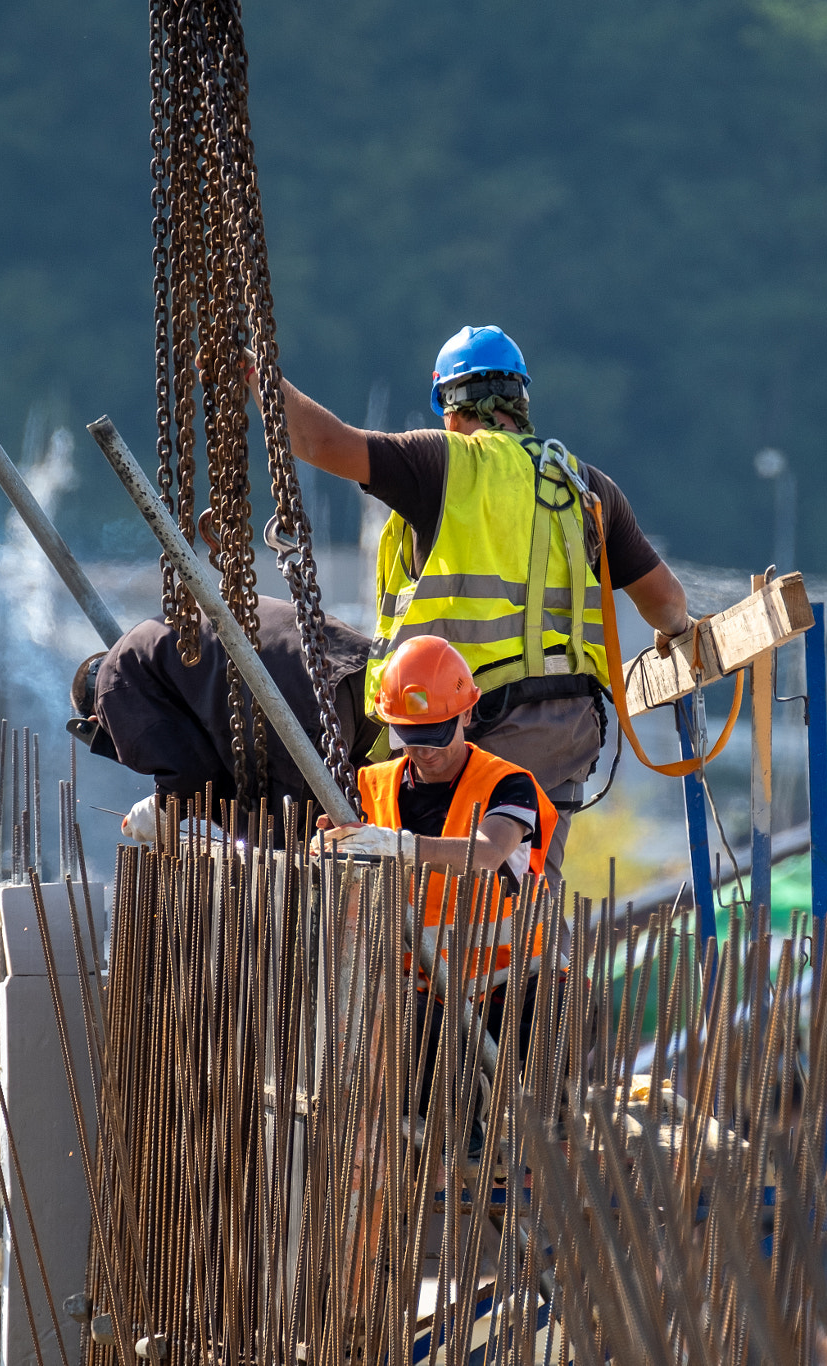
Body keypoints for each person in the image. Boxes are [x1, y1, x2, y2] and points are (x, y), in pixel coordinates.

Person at [262, 324, 695, 883]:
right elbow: (666, 603)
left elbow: (322, 443)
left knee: (420, 896)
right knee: (524, 888)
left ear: (448, 405)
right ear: (521, 400)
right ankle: (536, 969)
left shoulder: (442, 462)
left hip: (454, 729)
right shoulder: (584, 487)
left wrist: (256, 376)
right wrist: (681, 633)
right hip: (561, 734)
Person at [312, 635, 557, 1116]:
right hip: (422, 995)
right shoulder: (369, 788)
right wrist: (329, 849)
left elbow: (487, 853)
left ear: (467, 713)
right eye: (410, 736)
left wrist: (395, 846)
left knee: (551, 1057)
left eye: (437, 734)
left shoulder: (508, 783)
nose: (425, 752)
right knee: (430, 1096)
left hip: (512, 989)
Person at [68, 594, 385, 844]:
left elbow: (191, 772)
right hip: (360, 675)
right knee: (360, 831)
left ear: (97, 719)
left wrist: (161, 809)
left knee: (291, 860)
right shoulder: (153, 652)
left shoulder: (113, 685)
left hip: (300, 701)